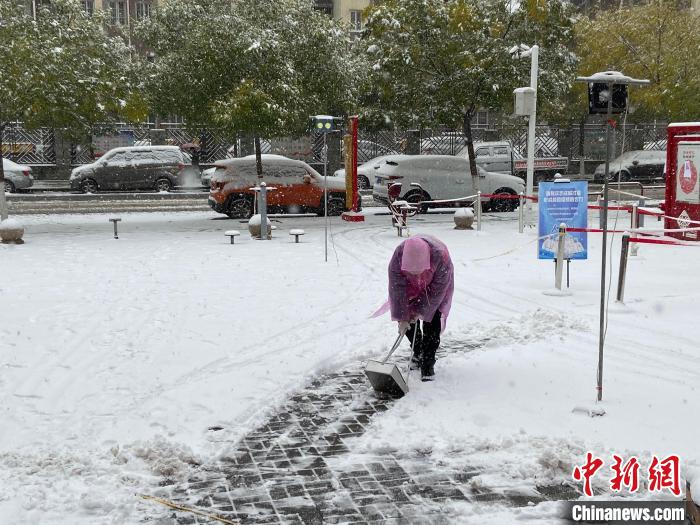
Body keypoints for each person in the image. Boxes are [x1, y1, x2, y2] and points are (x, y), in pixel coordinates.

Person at [373, 235, 454, 381]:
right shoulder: (398, 257)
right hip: (408, 287)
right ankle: (417, 352)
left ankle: (428, 363)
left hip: (435, 285)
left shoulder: (440, 257)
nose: (416, 275)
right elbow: (397, 290)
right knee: (407, 321)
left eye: (419, 271)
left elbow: (436, 293)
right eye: (411, 271)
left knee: (432, 322)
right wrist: (403, 317)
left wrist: (420, 311)